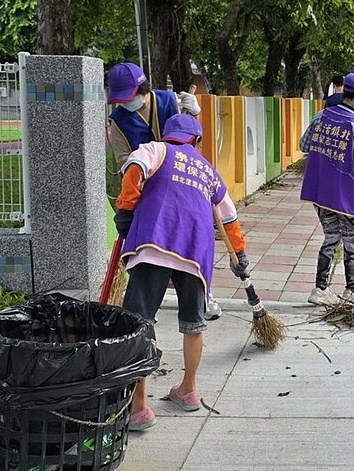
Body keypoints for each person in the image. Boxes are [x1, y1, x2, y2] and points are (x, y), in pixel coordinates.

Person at [114, 114, 250, 431]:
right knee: (193, 323)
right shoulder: (209, 172)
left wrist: (126, 207)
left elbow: (135, 167)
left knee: (139, 322)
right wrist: (239, 252)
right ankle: (188, 390)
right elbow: (228, 217)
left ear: (170, 135)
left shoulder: (156, 150)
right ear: (197, 141)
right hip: (194, 253)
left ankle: (139, 407)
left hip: (155, 244)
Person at [106, 63, 223, 320]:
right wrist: (147, 163)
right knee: (148, 246)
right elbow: (123, 160)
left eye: (129, 96)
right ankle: (145, 306)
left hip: (183, 184)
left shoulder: (170, 101)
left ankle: (203, 294)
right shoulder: (119, 122)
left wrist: (194, 115)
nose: (126, 103)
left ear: (141, 89)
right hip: (147, 189)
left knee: (194, 238)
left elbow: (191, 137)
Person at [300, 73, 354, 305]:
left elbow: (303, 145)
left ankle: (320, 289)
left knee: (331, 237)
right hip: (345, 192)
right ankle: (352, 291)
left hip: (321, 189)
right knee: (351, 239)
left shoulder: (322, 116)